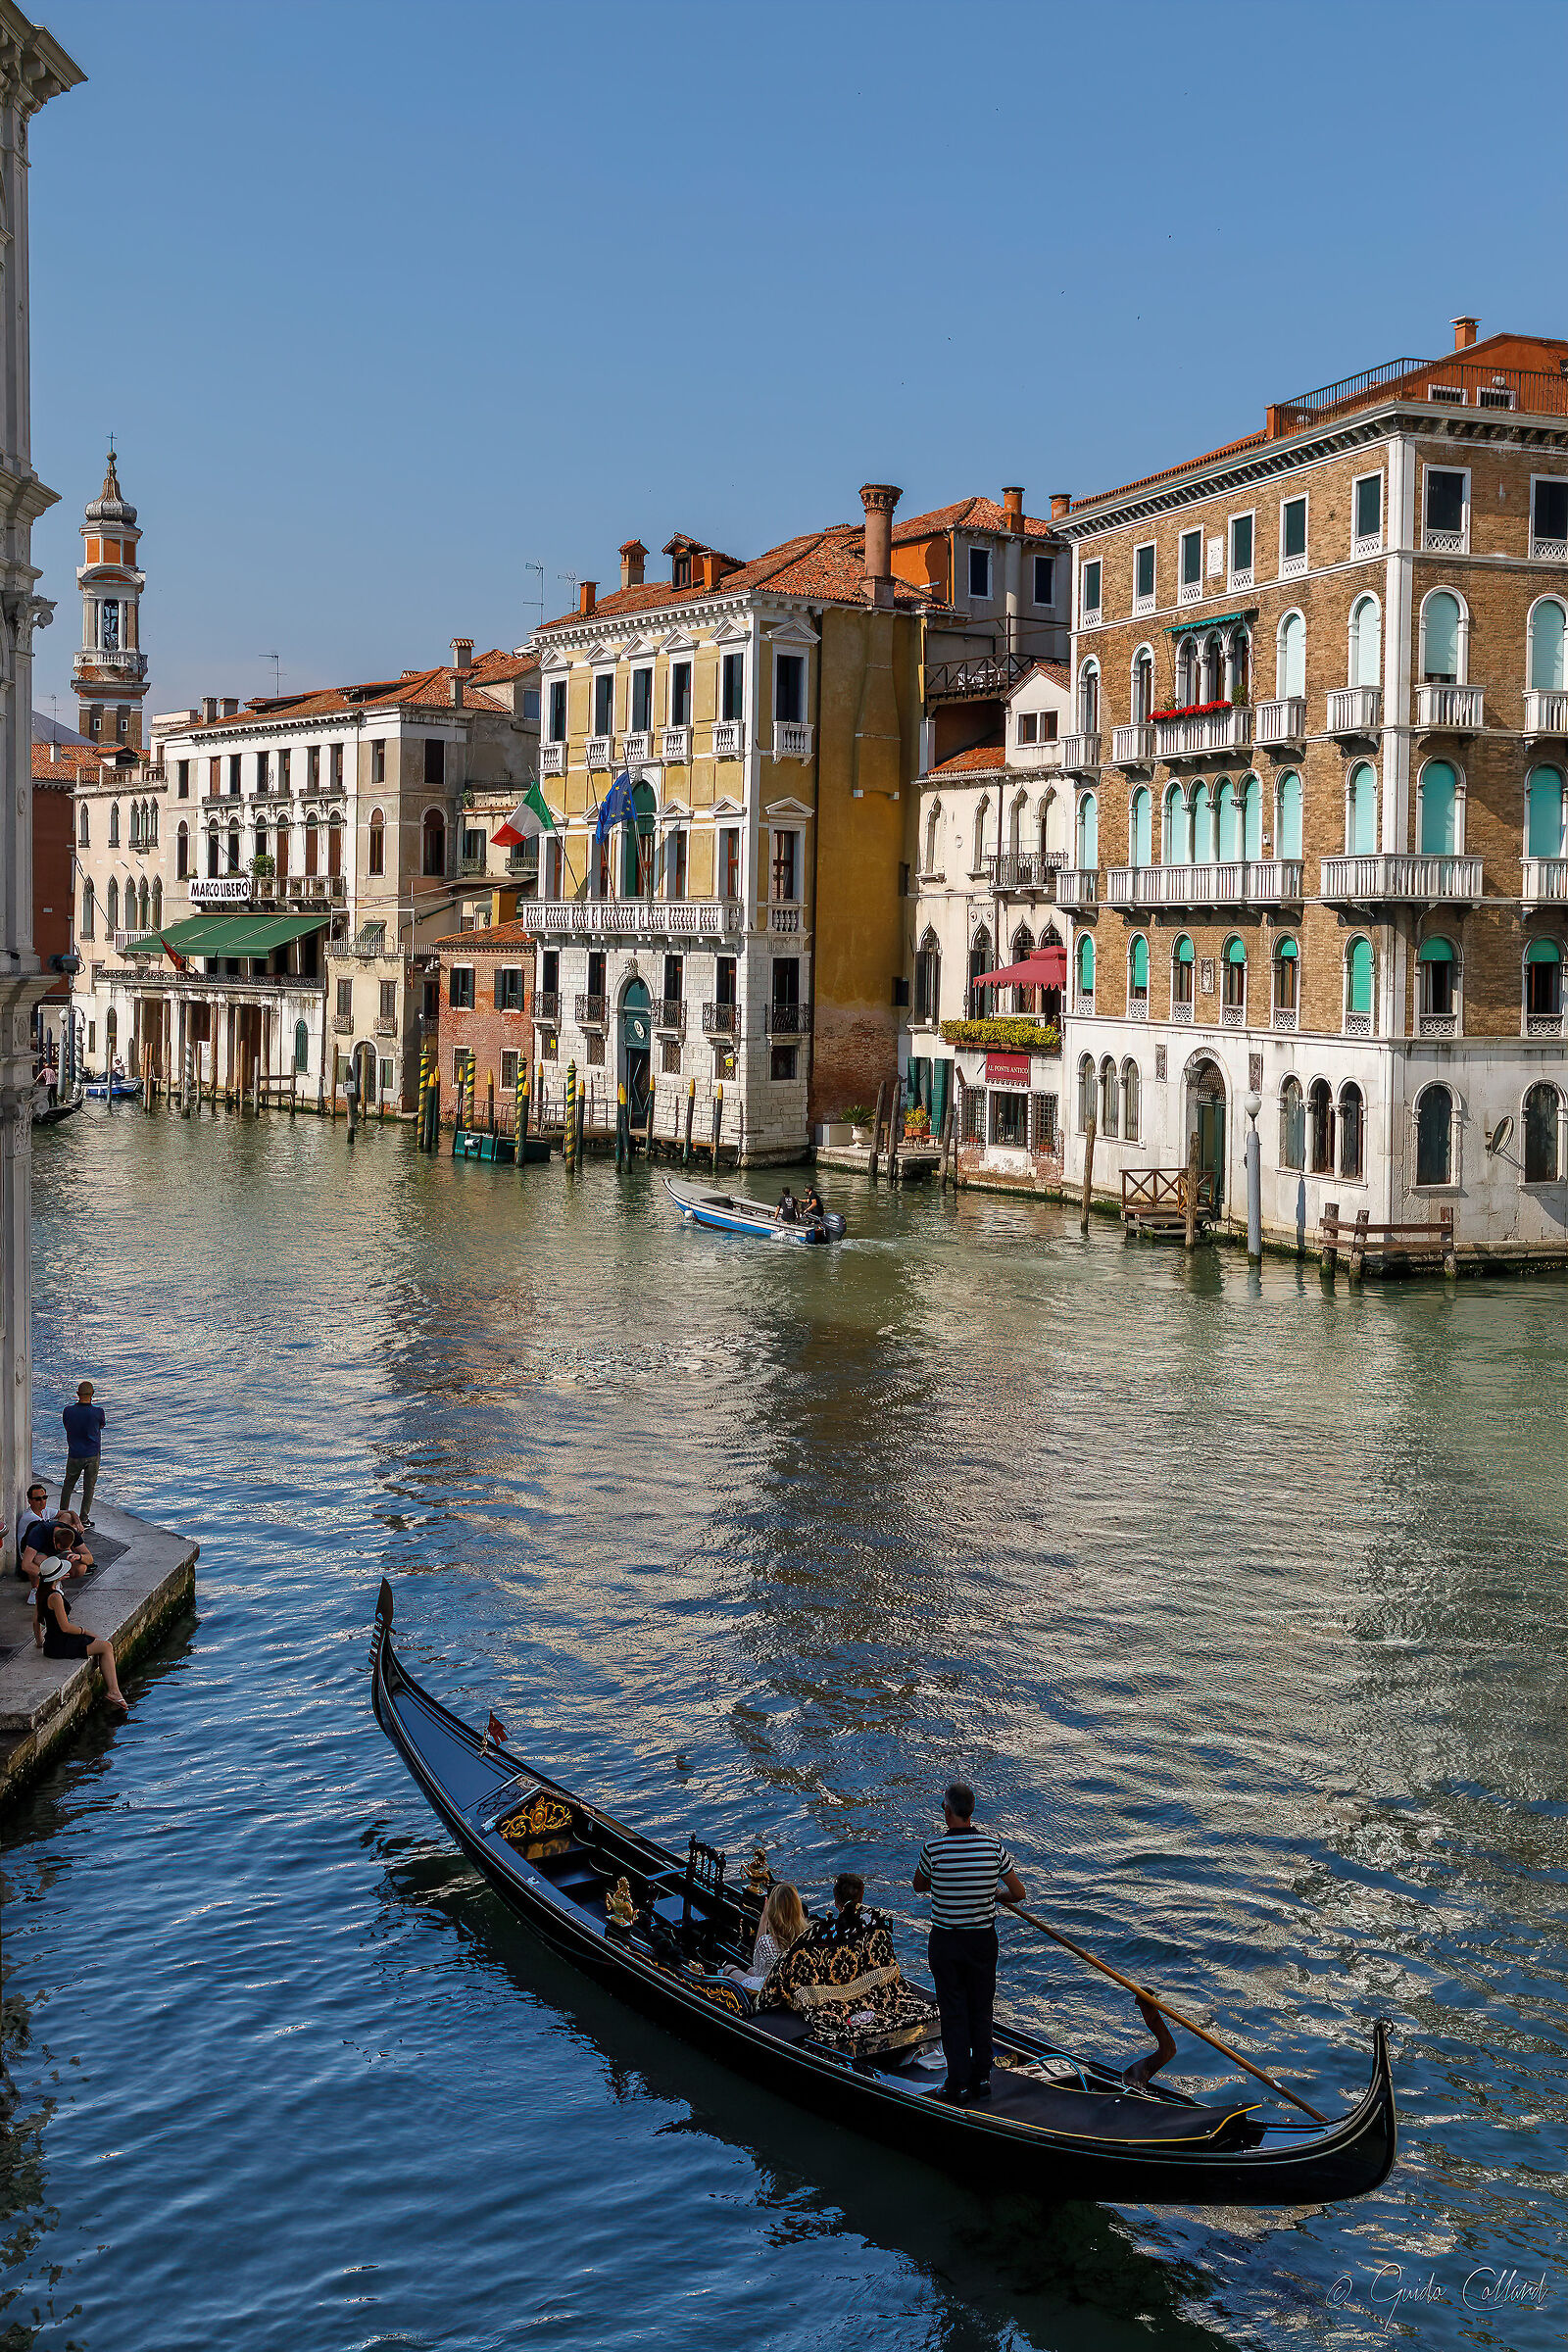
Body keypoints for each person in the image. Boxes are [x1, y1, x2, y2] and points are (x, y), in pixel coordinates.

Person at [913, 1781, 1026, 2104]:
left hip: (947, 1942)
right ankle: (982, 2079)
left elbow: (919, 1886)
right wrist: (994, 1894)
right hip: (982, 1942)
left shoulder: (933, 1849)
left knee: (953, 2012)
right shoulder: (993, 1848)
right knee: (981, 2008)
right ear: (971, 1811)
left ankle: (958, 2083)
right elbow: (1018, 1893)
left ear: (947, 1811)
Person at [33, 1551, 127, 1714]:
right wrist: (86, 1631)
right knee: (106, 1646)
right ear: (59, 1576)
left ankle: (114, 1689)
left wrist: (40, 1642)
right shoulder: (55, 1597)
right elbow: (65, 1627)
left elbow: (36, 1622)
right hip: (60, 1644)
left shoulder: (41, 1593)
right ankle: (114, 1691)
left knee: (100, 1645)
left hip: (52, 1643)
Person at [725, 1881, 808, 1992]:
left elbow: (759, 1971)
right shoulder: (807, 1934)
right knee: (750, 1970)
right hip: (793, 1986)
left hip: (770, 1991)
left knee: (729, 1968)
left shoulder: (767, 1942)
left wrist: (764, 1917)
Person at [60, 1382, 106, 1523]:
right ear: (92, 1394)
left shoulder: (68, 1411)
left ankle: (62, 1515)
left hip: (74, 1453)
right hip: (92, 1454)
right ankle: (84, 1518)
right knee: (89, 1488)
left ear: (78, 1394)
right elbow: (101, 1425)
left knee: (68, 1485)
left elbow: (66, 1426)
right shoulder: (98, 1412)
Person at [14, 1480, 83, 1568]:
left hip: (44, 1544)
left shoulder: (44, 1510)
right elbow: (50, 1532)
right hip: (31, 1551)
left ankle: (67, 1551)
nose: (42, 1501)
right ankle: (68, 1552)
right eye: (38, 1499)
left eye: (44, 1497)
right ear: (30, 1501)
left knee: (67, 1516)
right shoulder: (30, 1517)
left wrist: (78, 1523)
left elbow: (69, 1512)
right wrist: (74, 1531)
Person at [21, 1517, 92, 1601]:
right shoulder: (39, 1533)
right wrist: (50, 1577)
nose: (63, 1551)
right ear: (54, 1540)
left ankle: (55, 1583)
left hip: (54, 1557)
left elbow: (90, 1558)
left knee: (81, 1567)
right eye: (60, 1549)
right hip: (36, 1555)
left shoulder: (72, 1533)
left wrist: (80, 1557)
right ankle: (36, 1588)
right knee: (41, 1560)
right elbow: (25, 1565)